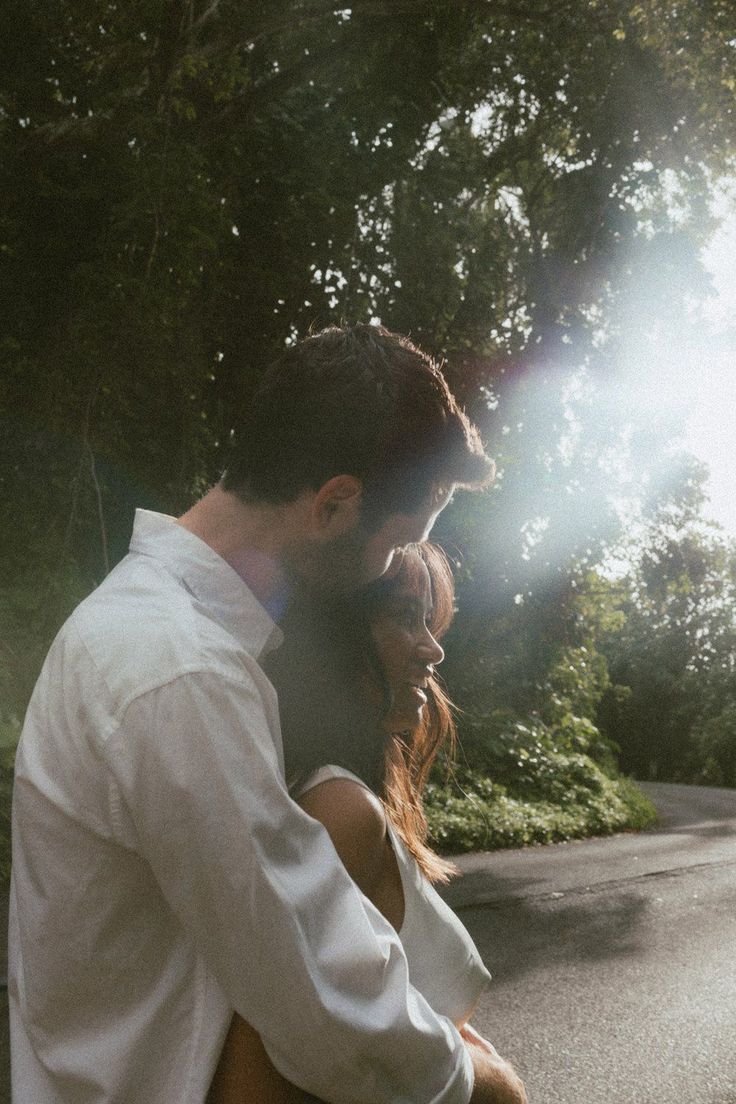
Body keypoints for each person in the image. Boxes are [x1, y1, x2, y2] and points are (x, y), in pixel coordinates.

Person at [9, 324, 524, 1103]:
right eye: (400, 543)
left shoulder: (164, 632)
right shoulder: (179, 668)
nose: (390, 571)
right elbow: (312, 988)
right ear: (333, 505)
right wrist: (480, 1083)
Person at [207, 542, 526, 1103]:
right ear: (336, 639)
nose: (433, 650)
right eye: (405, 617)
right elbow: (250, 1083)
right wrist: (483, 1082)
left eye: (430, 622)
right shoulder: (340, 813)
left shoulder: (338, 797)